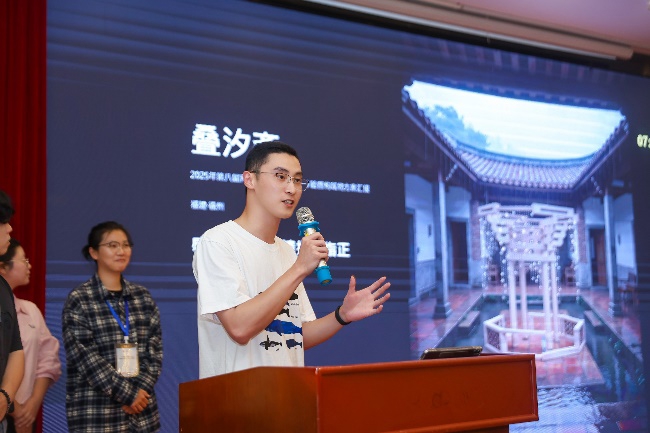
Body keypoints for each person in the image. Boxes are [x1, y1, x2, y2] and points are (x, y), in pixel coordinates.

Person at [193, 141, 391, 378]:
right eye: (281, 177)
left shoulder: (286, 251)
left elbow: (296, 335)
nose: (292, 189)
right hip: (237, 395)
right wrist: (299, 268)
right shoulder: (218, 242)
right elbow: (239, 328)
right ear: (249, 179)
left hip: (286, 393)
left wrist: (342, 316)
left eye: (297, 180)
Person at [62, 222, 162, 432]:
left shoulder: (143, 297)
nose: (121, 251)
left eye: (126, 245)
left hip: (142, 416)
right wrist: (129, 394)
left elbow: (154, 352)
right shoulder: (80, 299)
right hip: (97, 415)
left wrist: (139, 392)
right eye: (112, 245)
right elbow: (86, 359)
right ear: (94, 252)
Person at [0, 239, 61, 433]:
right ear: (3, 267)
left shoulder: (30, 310)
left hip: (25, 418)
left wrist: (32, 405)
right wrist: (14, 409)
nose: (30, 265)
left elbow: (48, 359)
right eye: (24, 260)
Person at [0, 190, 24, 433]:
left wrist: (5, 396)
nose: (10, 229)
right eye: (4, 223)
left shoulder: (3, 288)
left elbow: (16, 350)